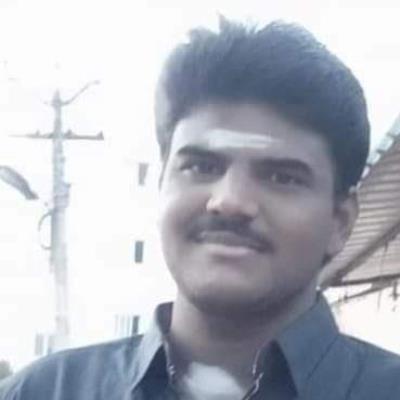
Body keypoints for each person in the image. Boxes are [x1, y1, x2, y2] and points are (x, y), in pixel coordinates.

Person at [1, 17, 400, 400]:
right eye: (201, 167)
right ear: (161, 186)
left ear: (340, 221)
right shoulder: (41, 392)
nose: (229, 201)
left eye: (282, 177)